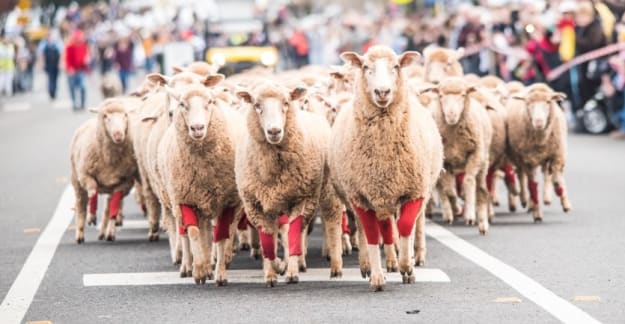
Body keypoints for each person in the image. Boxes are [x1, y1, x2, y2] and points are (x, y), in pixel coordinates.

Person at [64, 29, 90, 111]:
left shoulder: (84, 46)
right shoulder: (70, 47)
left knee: (82, 87)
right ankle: (74, 103)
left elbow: (86, 56)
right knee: (72, 87)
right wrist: (69, 68)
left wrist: (87, 60)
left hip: (81, 70)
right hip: (72, 70)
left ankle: (82, 104)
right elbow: (67, 59)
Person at [38, 31, 62, 100]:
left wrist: (60, 63)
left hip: (55, 64)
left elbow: (61, 53)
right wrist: (41, 63)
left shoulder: (57, 43)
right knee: (50, 78)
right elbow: (41, 54)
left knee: (55, 79)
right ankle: (51, 91)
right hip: (48, 64)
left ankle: (54, 91)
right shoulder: (44, 43)